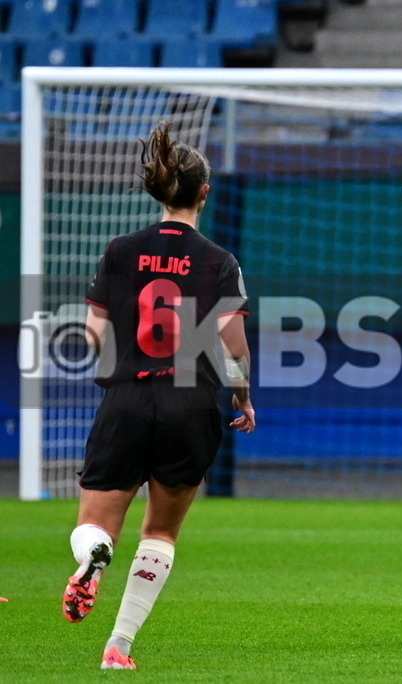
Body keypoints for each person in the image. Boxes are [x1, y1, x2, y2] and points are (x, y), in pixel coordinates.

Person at [63, 122, 255, 670]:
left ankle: (92, 558)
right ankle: (118, 647)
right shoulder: (220, 260)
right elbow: (232, 343)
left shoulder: (120, 250)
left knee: (95, 524)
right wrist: (242, 398)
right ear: (204, 193)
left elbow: (93, 334)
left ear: (157, 190)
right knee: (161, 530)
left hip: (126, 397)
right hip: (191, 403)